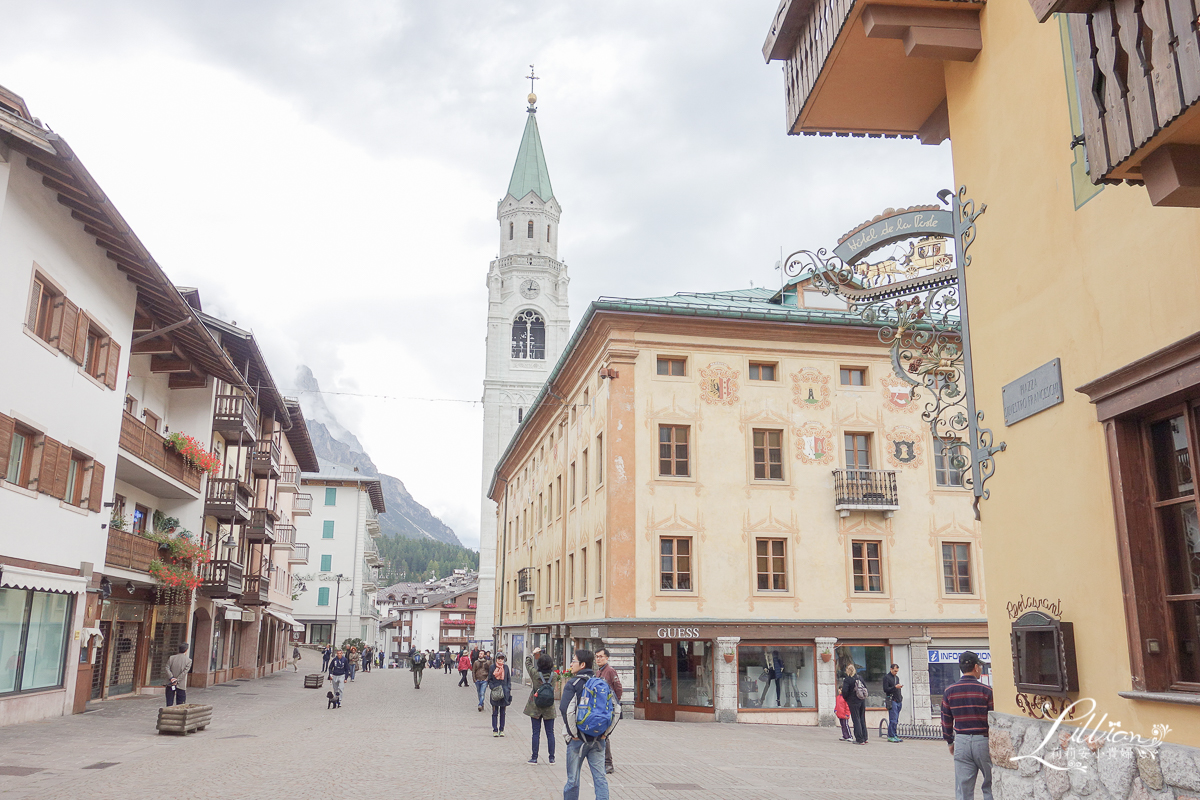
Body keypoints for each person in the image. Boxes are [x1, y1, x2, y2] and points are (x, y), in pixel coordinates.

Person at [560, 649, 616, 800]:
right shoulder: (601, 683)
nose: (571, 664)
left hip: (578, 741)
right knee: (600, 778)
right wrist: (606, 733)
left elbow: (566, 710)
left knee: (573, 780)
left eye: (573, 661)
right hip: (598, 739)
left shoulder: (574, 683)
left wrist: (574, 735)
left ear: (582, 664)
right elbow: (616, 709)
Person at [942, 651, 994, 800]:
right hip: (983, 741)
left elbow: (946, 719)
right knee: (990, 785)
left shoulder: (949, 691)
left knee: (963, 790)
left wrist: (950, 741)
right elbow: (992, 719)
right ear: (976, 667)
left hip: (962, 741)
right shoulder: (987, 691)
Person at [524, 648, 557, 765]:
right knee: (550, 732)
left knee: (535, 733)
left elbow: (527, 663)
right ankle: (551, 758)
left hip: (535, 707)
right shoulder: (555, 676)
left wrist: (532, 654)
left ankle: (534, 757)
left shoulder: (535, 674)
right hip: (549, 707)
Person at [594, 648, 623, 774]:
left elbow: (618, 688)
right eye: (597, 656)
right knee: (601, 735)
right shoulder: (598, 672)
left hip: (607, 709)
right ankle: (603, 762)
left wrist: (613, 704)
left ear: (607, 658)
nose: (598, 659)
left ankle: (608, 764)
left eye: (601, 656)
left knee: (604, 735)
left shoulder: (610, 671)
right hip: (599, 709)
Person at [840, 663, 868, 744]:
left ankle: (859, 739)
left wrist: (846, 699)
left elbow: (845, 691)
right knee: (862, 718)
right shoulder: (860, 678)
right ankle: (865, 737)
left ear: (847, 671)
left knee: (856, 720)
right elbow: (865, 687)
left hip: (853, 701)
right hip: (861, 700)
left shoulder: (848, 679)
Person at [488, 653, 512, 737]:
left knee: (503, 712)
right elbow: (490, 679)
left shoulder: (506, 668)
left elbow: (508, 679)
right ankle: (495, 729)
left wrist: (508, 688)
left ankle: (501, 729)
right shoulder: (492, 667)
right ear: (496, 659)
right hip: (495, 692)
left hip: (504, 692)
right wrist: (493, 687)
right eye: (499, 658)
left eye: (502, 658)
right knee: (495, 712)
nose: (500, 660)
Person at [883, 662, 904, 743]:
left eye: (897, 671)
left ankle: (894, 734)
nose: (896, 673)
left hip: (898, 699)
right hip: (892, 700)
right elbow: (885, 689)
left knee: (896, 719)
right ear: (891, 669)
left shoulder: (897, 678)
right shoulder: (887, 678)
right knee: (893, 719)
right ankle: (891, 735)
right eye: (894, 671)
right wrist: (895, 687)